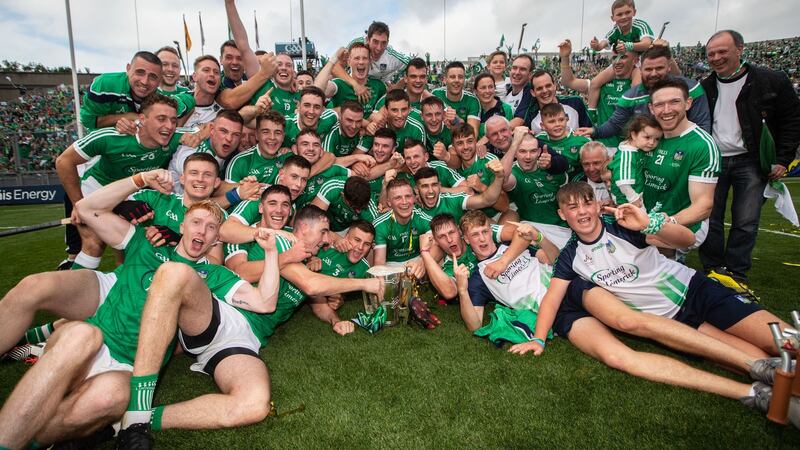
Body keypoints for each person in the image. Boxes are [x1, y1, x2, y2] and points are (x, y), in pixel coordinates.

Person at [511, 181, 798, 428]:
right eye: (572, 207)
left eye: (587, 203)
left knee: (788, 341)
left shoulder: (625, 228)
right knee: (761, 365)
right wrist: (538, 338)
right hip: (680, 323)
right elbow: (552, 298)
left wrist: (650, 223)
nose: (582, 211)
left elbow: (687, 240)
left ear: (598, 205)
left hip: (696, 292)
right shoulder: (571, 258)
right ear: (562, 214)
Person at [0, 169, 251, 449]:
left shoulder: (209, 276)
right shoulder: (146, 231)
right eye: (195, 222)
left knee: (111, 397)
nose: (201, 230)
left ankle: (32, 440)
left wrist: (275, 251)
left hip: (127, 366)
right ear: (182, 224)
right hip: (100, 322)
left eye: (210, 227)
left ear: (217, 237)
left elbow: (252, 297)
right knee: (78, 332)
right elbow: (86, 208)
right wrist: (140, 179)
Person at [117, 206, 384, 447]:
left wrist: (335, 320)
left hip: (245, 340)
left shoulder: (311, 256)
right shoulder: (282, 243)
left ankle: (135, 421)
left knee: (254, 405)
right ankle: (136, 405)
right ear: (302, 229)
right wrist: (366, 284)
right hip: (223, 316)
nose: (329, 239)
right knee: (178, 275)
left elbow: (316, 299)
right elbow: (311, 285)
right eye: (324, 232)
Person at [699, 30, 800, 287]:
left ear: (740, 49)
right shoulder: (705, 86)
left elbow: (791, 121)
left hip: (750, 159)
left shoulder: (771, 80)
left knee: (745, 219)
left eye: (722, 51)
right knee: (709, 216)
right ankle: (711, 267)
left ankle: (736, 272)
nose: (716, 58)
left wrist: (782, 158)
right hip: (713, 160)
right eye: (711, 54)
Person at [56, 93, 183, 271]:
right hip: (98, 189)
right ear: (142, 119)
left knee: (127, 245)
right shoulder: (111, 136)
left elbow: (209, 129)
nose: (169, 126)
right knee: (94, 243)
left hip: (132, 192)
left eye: (173, 121)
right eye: (161, 119)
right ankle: (72, 288)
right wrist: (78, 205)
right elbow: (63, 162)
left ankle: (122, 287)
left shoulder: (177, 136)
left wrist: (201, 134)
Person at [641, 78, 720, 258]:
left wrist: (666, 223)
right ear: (652, 109)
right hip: (646, 222)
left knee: (657, 274)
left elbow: (703, 206)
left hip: (679, 226)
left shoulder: (701, 145)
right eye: (660, 104)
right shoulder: (649, 137)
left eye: (674, 102)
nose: (667, 110)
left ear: (688, 103)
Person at [452, 210, 560, 336]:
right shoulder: (479, 278)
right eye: (475, 234)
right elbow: (474, 325)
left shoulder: (513, 245)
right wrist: (462, 290)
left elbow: (555, 259)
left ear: (491, 231)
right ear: (466, 239)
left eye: (485, 231)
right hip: (549, 309)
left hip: (561, 285)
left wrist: (540, 237)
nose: (482, 238)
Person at [580, 46, 711, 140]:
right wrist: (594, 131)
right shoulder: (631, 96)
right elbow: (615, 124)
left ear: (669, 67)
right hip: (649, 153)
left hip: (683, 151)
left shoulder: (692, 89)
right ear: (641, 69)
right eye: (648, 69)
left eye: (659, 68)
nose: (654, 73)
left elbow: (702, 126)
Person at [501, 127, 572, 247]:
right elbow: (501, 176)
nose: (528, 156)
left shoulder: (551, 167)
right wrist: (514, 144)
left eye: (533, 151)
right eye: (522, 151)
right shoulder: (513, 173)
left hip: (563, 229)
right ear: (515, 152)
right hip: (532, 231)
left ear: (539, 152)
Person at [79, 51, 163, 132]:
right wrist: (128, 117)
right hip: (103, 142)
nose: (144, 82)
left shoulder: (161, 98)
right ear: (128, 69)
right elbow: (88, 121)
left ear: (159, 80)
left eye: (153, 77)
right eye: (140, 72)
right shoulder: (104, 85)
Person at [372, 177, 433, 278]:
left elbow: (435, 245)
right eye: (398, 198)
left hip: (418, 259)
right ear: (389, 202)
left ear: (414, 198)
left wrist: (422, 261)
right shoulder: (380, 224)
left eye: (408, 196)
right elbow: (379, 264)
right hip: (391, 265)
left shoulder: (424, 219)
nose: (404, 202)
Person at [168, 109, 244, 189]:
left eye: (236, 134)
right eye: (223, 131)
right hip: (174, 199)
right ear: (211, 130)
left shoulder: (231, 152)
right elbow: (203, 186)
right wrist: (244, 187)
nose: (229, 138)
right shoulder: (192, 148)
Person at [413, 158, 504, 223]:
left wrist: (499, 178)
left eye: (434, 185)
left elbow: (486, 200)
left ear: (439, 186)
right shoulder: (413, 212)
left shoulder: (453, 199)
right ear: (417, 190)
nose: (431, 191)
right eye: (425, 186)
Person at [451, 123, 510, 219]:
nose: (465, 147)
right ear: (453, 147)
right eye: (460, 143)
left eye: (469, 141)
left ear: (476, 141)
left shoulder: (489, 161)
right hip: (472, 221)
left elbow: (504, 206)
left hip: (497, 216)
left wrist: (482, 187)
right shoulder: (452, 168)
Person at [315, 43, 387, 116]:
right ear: (349, 62)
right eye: (357, 58)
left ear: (370, 61)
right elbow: (316, 91)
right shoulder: (339, 84)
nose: (361, 62)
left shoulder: (378, 85)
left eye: (365, 58)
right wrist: (334, 59)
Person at [606, 115, 662, 208]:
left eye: (657, 139)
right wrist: (633, 199)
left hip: (636, 194)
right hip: (627, 200)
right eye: (647, 137)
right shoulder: (626, 155)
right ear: (634, 135)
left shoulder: (636, 148)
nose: (652, 142)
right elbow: (623, 182)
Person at [517, 70, 592, 134]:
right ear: (533, 92)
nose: (545, 91)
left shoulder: (575, 103)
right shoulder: (530, 114)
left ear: (555, 86)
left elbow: (589, 130)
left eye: (548, 86)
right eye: (539, 88)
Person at [535, 103, 592, 181]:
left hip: (574, 188)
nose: (557, 124)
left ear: (566, 119)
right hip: (546, 188)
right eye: (552, 121)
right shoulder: (537, 141)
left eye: (561, 120)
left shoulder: (581, 141)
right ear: (542, 126)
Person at [358, 89, 426, 153]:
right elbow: (357, 156)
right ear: (386, 110)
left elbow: (418, 161)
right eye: (394, 110)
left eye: (404, 109)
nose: (400, 115)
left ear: (409, 109)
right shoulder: (377, 126)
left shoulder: (417, 129)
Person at [349, 21, 410, 85]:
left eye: (384, 43)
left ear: (387, 42)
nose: (379, 48)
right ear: (367, 40)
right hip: (352, 86)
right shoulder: (356, 46)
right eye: (375, 41)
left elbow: (413, 64)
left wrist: (398, 85)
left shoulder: (391, 57)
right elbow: (337, 65)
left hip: (379, 90)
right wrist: (355, 85)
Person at [311, 176, 380, 233]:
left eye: (362, 207)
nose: (358, 211)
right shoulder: (333, 187)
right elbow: (311, 219)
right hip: (324, 222)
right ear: (343, 195)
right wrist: (335, 237)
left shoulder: (371, 211)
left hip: (346, 231)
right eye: (354, 207)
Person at [431, 61, 481, 135]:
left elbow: (473, 135)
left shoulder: (472, 100)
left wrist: (456, 121)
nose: (457, 80)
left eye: (460, 77)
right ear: (444, 80)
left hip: (460, 143)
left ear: (464, 80)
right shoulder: (435, 94)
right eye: (452, 77)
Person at [474, 73, 514, 139]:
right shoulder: (473, 109)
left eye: (490, 87)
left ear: (494, 88)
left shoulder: (506, 109)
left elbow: (509, 137)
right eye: (483, 88)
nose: (487, 91)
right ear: (476, 91)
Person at [579, 141, 612, 207]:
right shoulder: (578, 182)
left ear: (607, 160)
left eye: (596, 163)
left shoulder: (620, 177)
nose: (591, 169)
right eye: (586, 164)